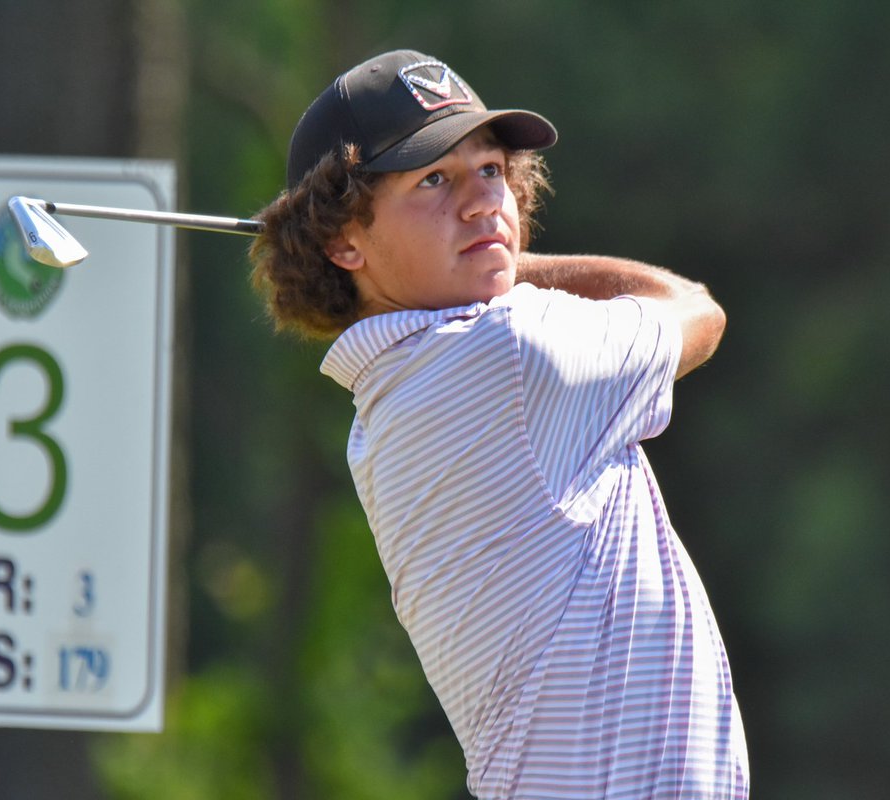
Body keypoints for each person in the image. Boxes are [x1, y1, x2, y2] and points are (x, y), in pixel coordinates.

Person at [250, 48, 748, 799]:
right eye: (433, 181)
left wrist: (487, 256)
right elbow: (694, 308)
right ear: (344, 242)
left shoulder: (390, 399)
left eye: (490, 171)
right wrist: (515, 262)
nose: (485, 201)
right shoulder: (507, 353)